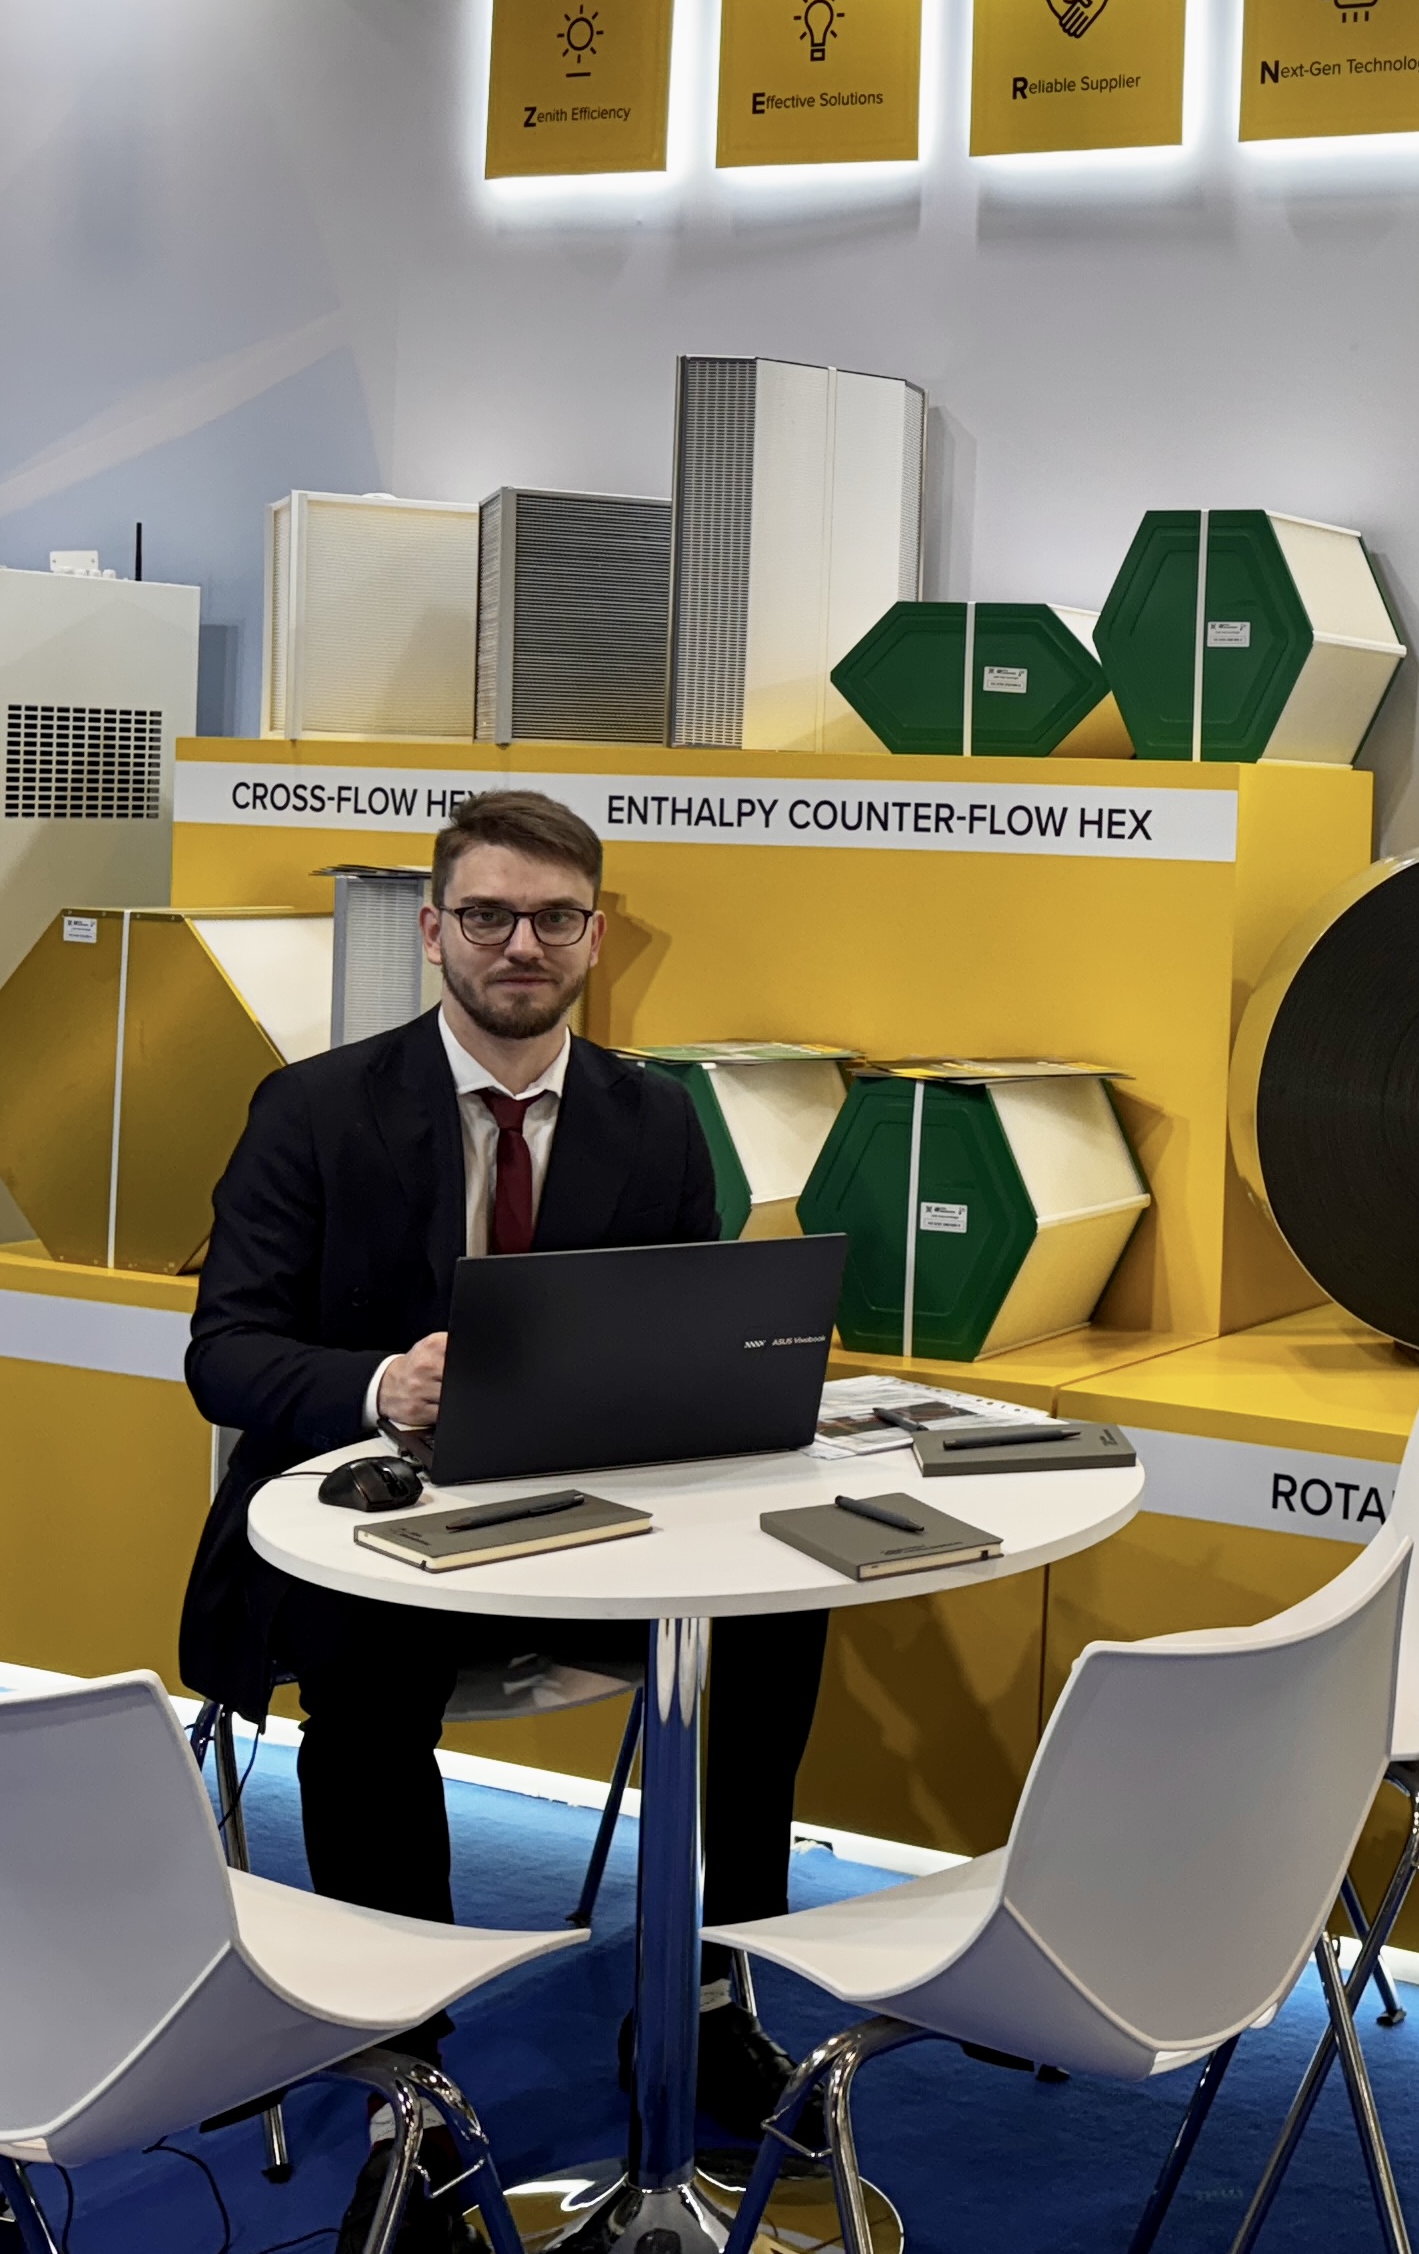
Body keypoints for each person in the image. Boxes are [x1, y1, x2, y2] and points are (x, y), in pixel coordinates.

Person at [181, 791, 831, 2248]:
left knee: (779, 1609)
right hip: (376, 1532)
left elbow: (687, 1334)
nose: (520, 945)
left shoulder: (654, 1119)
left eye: (552, 918)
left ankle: (709, 1989)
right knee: (363, 1679)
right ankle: (407, 2090)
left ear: (594, 938)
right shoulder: (314, 1109)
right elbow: (224, 1352)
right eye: (488, 915)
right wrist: (379, 1385)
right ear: (434, 931)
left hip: (587, 1529)